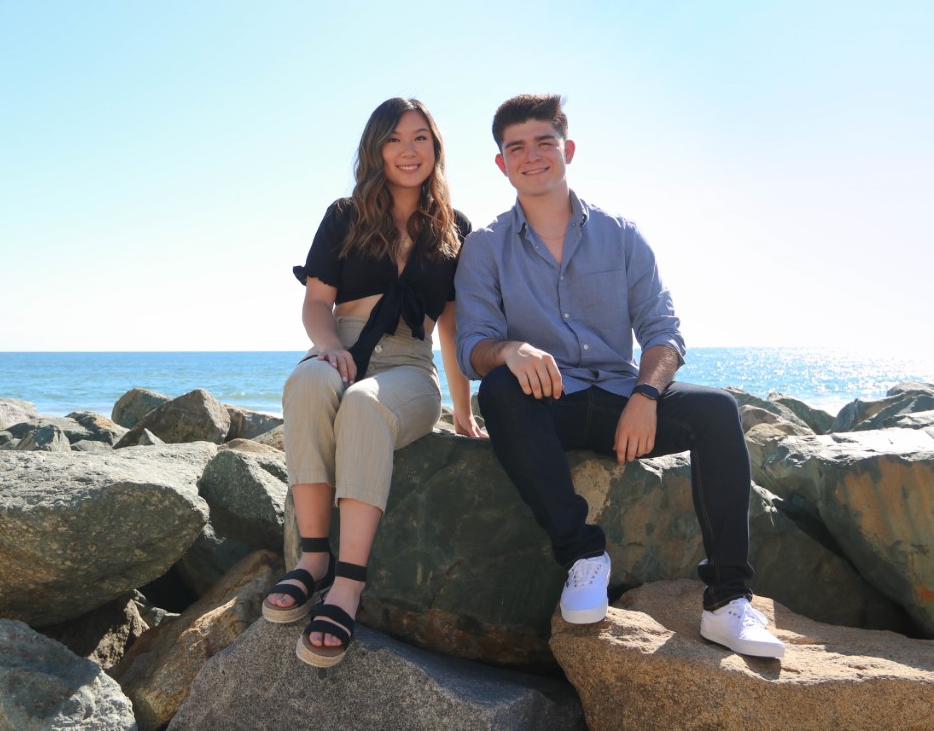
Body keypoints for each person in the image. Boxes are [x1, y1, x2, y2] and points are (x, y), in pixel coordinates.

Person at [454, 93, 785, 659]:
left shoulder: (622, 235)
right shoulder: (484, 247)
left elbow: (664, 330)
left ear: (568, 150)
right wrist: (510, 350)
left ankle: (727, 600)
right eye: (517, 148)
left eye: (544, 142)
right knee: (501, 388)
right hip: (547, 403)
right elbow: (471, 348)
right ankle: (584, 556)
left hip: (618, 400)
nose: (532, 156)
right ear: (501, 163)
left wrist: (646, 395)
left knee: (717, 411)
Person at [264, 97, 484, 668]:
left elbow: (452, 328)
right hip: (340, 345)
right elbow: (317, 303)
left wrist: (463, 411)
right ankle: (314, 559)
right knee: (308, 385)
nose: (408, 151)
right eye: (394, 139)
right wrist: (329, 347)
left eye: (420, 138)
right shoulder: (345, 214)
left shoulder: (456, 228)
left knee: (364, 404)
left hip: (409, 366)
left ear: (436, 147)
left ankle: (348, 584)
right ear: (375, 149)